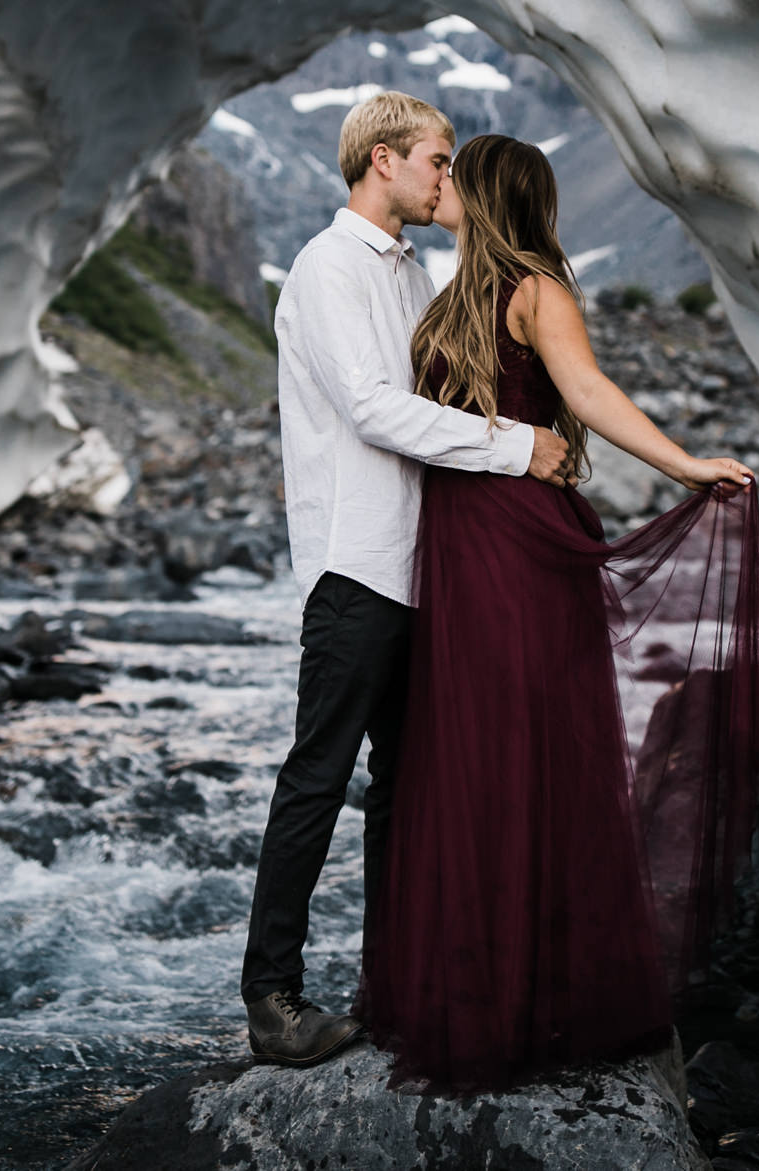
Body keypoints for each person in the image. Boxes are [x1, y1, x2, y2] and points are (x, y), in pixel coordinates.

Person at [360, 132, 759, 1093]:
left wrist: (684, 463)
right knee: (461, 754)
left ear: (494, 191)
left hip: (516, 540)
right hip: (456, 540)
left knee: (518, 751)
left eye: (459, 172)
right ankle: (474, 985)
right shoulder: (450, 285)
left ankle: (532, 998)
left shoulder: (538, 284)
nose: (442, 180)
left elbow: (584, 391)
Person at [241, 94, 573, 1067]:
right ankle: (270, 997)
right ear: (381, 160)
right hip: (354, 561)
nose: (447, 177)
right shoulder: (329, 265)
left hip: (420, 565)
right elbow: (378, 409)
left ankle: (387, 985)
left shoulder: (417, 269)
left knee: (403, 784)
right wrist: (514, 445)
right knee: (317, 775)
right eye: (435, 159)